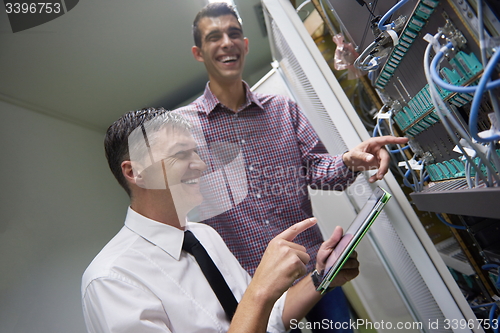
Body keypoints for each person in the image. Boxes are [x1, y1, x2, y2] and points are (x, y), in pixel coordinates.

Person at [174, 3, 409, 332]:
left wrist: (347, 160)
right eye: (214, 37)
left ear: (245, 44)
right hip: (255, 291)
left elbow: (317, 169)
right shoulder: (182, 130)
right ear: (199, 53)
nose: (226, 42)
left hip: (314, 273)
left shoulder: (283, 109)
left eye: (234, 34)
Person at [81, 108, 359, 333]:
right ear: (136, 172)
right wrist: (260, 290)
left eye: (196, 153)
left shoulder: (204, 236)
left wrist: (323, 276)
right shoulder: (112, 279)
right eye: (180, 154)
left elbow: (268, 318)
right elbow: (256, 303)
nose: (201, 165)